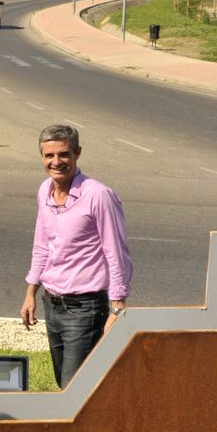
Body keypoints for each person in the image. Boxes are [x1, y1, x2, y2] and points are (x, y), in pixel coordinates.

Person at [19, 123, 134, 388]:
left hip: (85, 309)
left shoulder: (98, 196)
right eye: (49, 156)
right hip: (53, 304)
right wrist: (30, 293)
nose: (56, 162)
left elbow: (116, 253)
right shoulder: (44, 191)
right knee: (64, 384)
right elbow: (41, 245)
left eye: (64, 155)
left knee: (76, 390)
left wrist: (118, 306)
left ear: (77, 154)